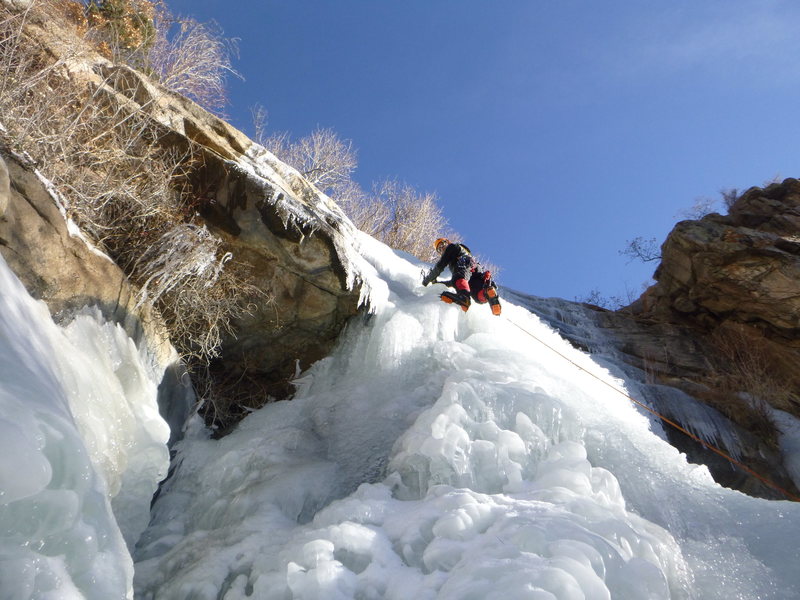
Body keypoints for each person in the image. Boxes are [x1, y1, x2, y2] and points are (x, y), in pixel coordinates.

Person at [422, 238, 502, 315]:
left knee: (457, 278)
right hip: (474, 273)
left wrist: (426, 280)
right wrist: (439, 283)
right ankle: (487, 293)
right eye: (439, 249)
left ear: (447, 242)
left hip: (465, 264)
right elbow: (456, 282)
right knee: (477, 296)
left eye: (442, 244)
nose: (442, 248)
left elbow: (440, 266)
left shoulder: (451, 247)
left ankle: (464, 298)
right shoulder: (459, 254)